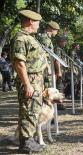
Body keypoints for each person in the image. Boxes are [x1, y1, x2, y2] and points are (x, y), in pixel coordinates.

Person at [10, 10, 46, 153]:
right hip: (29, 80)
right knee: (28, 110)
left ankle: (29, 139)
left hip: (35, 80)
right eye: (37, 22)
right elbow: (19, 63)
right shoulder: (20, 38)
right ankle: (25, 143)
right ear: (31, 21)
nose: (38, 25)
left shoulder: (29, 37)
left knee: (33, 110)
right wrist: (27, 84)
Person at [37, 20, 60, 88]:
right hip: (45, 66)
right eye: (56, 30)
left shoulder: (47, 38)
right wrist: (48, 67)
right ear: (52, 29)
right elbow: (42, 53)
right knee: (47, 86)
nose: (57, 32)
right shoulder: (45, 38)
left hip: (47, 65)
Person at [54, 36, 67, 110]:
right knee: (59, 87)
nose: (65, 43)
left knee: (61, 87)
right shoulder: (57, 49)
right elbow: (57, 60)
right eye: (64, 41)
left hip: (62, 70)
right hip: (58, 71)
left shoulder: (61, 49)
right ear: (60, 42)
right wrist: (58, 71)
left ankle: (60, 103)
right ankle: (59, 104)